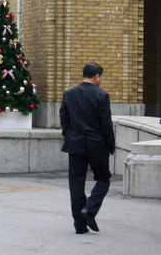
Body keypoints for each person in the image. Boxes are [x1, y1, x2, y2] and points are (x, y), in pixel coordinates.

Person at [60, 62, 115, 234]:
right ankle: (90, 209)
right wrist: (110, 145)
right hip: (96, 143)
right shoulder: (102, 95)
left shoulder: (68, 94)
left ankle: (80, 225)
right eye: (101, 78)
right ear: (96, 76)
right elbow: (106, 124)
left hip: (75, 143)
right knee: (103, 178)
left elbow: (64, 118)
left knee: (76, 183)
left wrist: (69, 135)